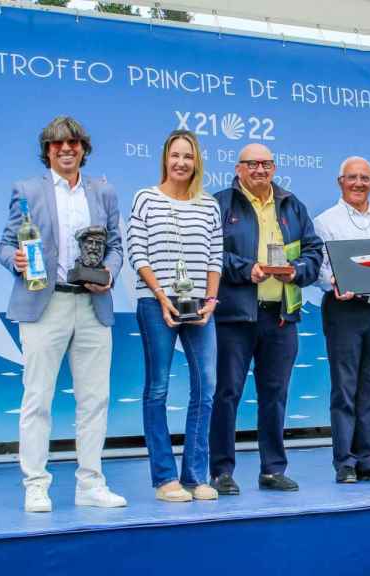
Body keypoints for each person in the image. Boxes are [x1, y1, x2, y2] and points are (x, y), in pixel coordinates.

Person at [0, 116, 126, 512]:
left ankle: (90, 483)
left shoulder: (103, 192)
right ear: (47, 151)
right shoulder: (26, 190)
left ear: (84, 148)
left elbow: (117, 247)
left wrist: (109, 273)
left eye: (73, 143)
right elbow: (4, 246)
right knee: (37, 398)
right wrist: (16, 260)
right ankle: (36, 484)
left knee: (95, 400)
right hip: (43, 304)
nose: (66, 149)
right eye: (57, 145)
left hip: (92, 304)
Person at [210, 143, 323, 493]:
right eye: (252, 164)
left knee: (275, 394)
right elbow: (211, 254)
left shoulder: (292, 204)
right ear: (238, 169)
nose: (260, 170)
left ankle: (272, 469)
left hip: (280, 316)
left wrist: (299, 270)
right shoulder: (220, 203)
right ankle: (221, 471)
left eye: (267, 164)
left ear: (274, 168)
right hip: (235, 316)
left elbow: (314, 250)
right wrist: (247, 269)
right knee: (226, 393)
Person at [128, 130, 224, 502]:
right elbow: (139, 254)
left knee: (207, 387)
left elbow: (215, 256)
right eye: (175, 155)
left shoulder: (208, 205)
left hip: (201, 305)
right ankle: (165, 478)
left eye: (188, 156)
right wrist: (162, 297)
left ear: (197, 161)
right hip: (157, 304)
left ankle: (197, 475)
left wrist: (212, 299)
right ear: (165, 159)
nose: (181, 162)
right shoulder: (145, 199)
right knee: (158, 389)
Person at [314, 156, 370, 484]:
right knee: (345, 388)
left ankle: (368, 457)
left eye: (365, 178)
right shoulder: (325, 222)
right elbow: (319, 267)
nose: (358, 183)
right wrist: (332, 283)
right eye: (352, 177)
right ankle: (345, 462)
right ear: (340, 182)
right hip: (344, 310)